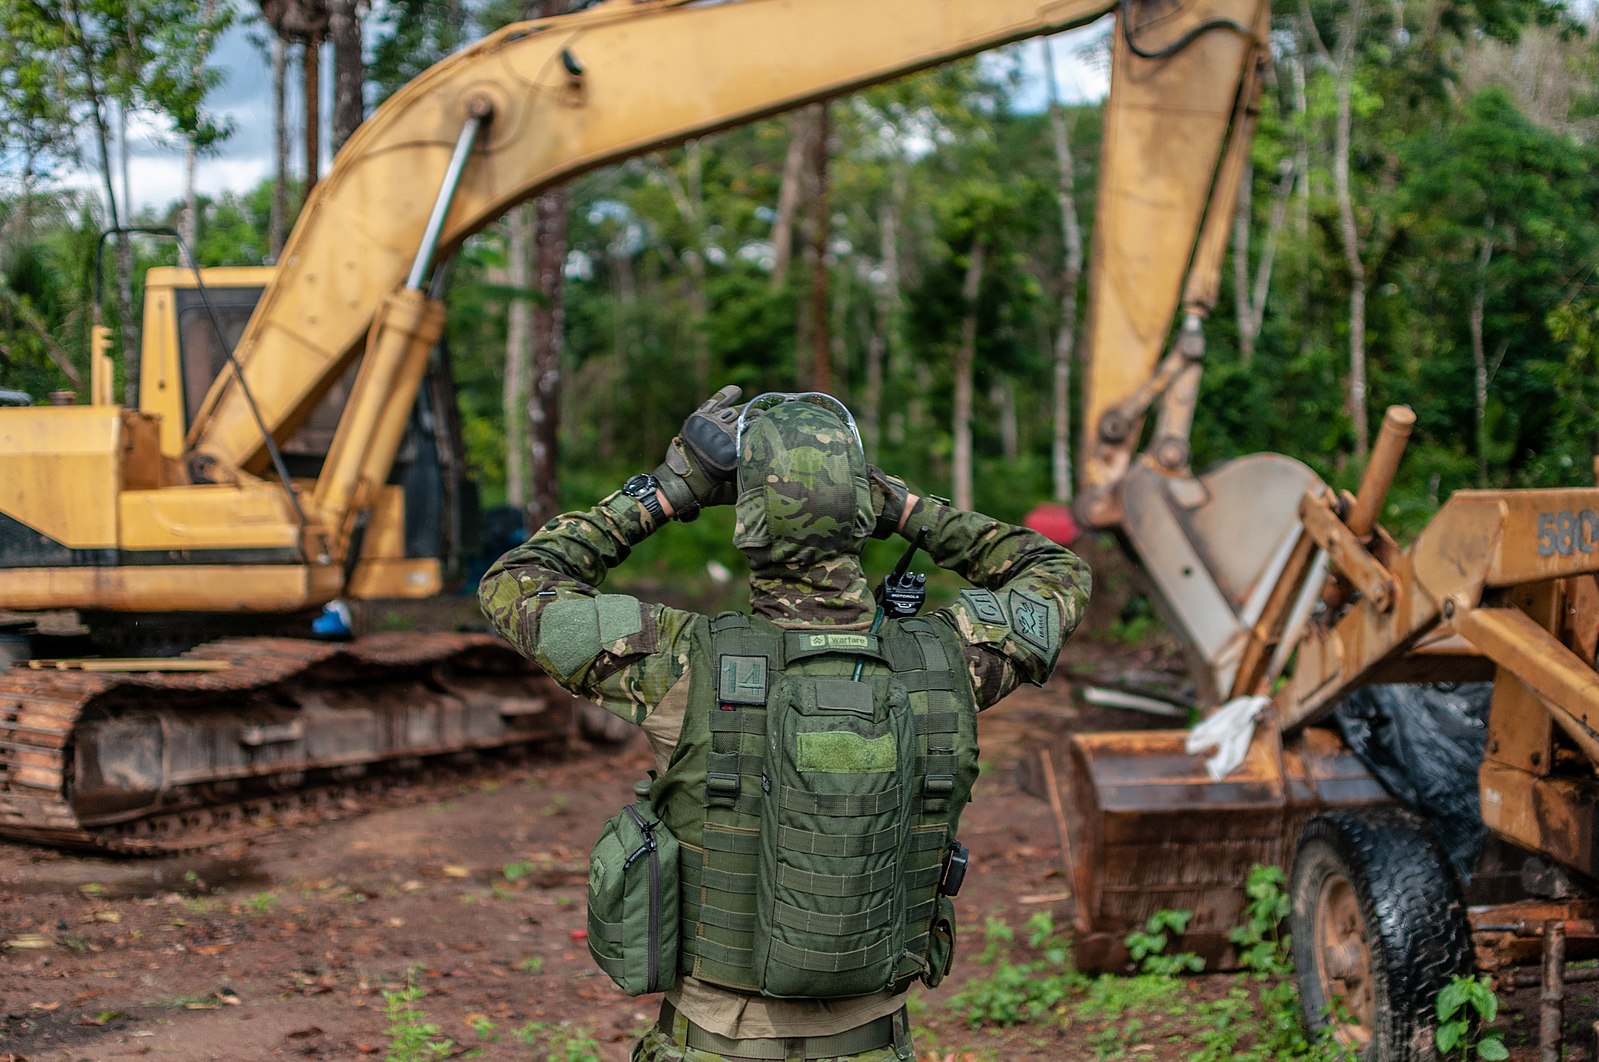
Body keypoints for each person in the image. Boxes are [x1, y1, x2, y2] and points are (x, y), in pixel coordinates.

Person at [480, 388, 1090, 1061]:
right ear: (861, 516)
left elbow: (517, 582)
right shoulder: (949, 663)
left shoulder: (680, 664)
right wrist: (903, 508)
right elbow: (1054, 569)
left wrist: (669, 489)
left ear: (744, 523)